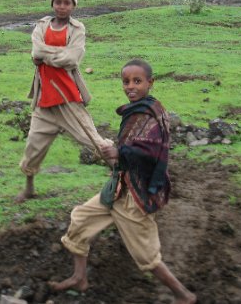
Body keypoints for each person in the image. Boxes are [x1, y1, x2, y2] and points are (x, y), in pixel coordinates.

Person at [49, 59, 196, 304]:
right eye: (126, 81)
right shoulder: (137, 111)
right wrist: (117, 151)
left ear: (150, 83)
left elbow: (151, 152)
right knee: (80, 219)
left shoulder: (150, 115)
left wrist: (120, 152)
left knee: (147, 256)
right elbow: (131, 147)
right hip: (118, 187)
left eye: (137, 81)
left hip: (135, 196)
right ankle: (79, 277)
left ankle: (183, 295)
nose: (130, 86)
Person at [15, 0, 113, 203]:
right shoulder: (41, 26)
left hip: (68, 98)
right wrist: (56, 54)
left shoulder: (77, 29)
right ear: (52, 3)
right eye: (58, 2)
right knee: (33, 146)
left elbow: (72, 59)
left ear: (73, 5)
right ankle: (29, 188)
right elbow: (35, 51)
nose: (62, 6)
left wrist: (46, 56)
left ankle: (123, 173)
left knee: (92, 139)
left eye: (67, 2)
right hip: (44, 100)